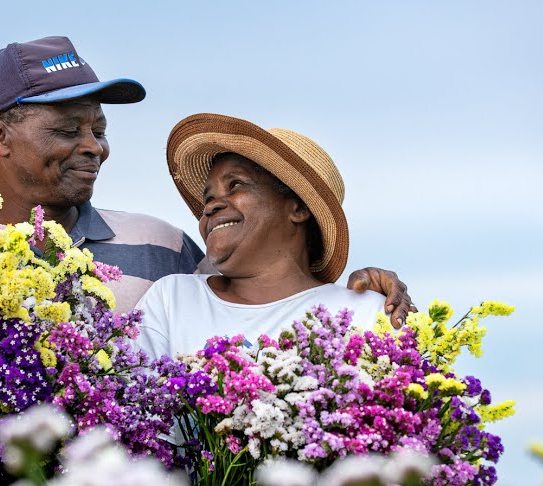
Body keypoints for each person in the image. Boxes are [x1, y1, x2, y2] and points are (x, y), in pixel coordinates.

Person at [0, 36, 413, 418]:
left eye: (99, 128)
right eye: (68, 129)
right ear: (0, 136)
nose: (95, 148)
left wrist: (353, 286)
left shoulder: (160, 249)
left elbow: (258, 290)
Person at [135, 113, 385, 359]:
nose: (210, 207)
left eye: (235, 185)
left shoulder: (365, 313)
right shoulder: (173, 299)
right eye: (208, 199)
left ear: (298, 207)